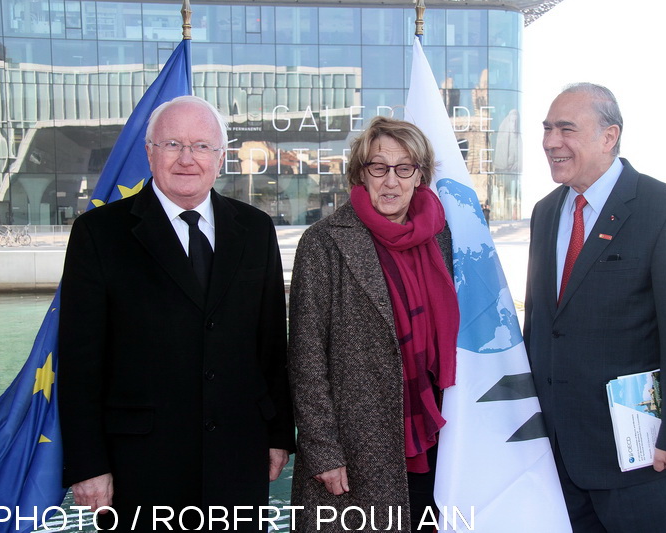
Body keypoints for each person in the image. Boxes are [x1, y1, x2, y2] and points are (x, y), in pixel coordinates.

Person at [58, 95, 295, 531]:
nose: (188, 158)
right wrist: (87, 464)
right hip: (141, 466)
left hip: (238, 457)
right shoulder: (99, 233)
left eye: (202, 146)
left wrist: (279, 435)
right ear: (149, 153)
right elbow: (78, 362)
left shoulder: (255, 228)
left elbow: (270, 344)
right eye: (172, 145)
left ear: (220, 157)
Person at [524, 83, 666, 532]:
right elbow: (541, 324)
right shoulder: (545, 212)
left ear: (609, 136)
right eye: (548, 129)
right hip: (556, 456)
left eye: (566, 129)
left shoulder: (665, 209)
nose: (551, 142)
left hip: (640, 460)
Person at [287, 116, 460, 532]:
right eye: (378, 167)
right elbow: (306, 358)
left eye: (405, 168)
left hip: (435, 433)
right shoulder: (324, 241)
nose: (391, 181)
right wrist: (323, 451)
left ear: (420, 175)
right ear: (361, 173)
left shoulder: (442, 237)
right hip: (357, 446)